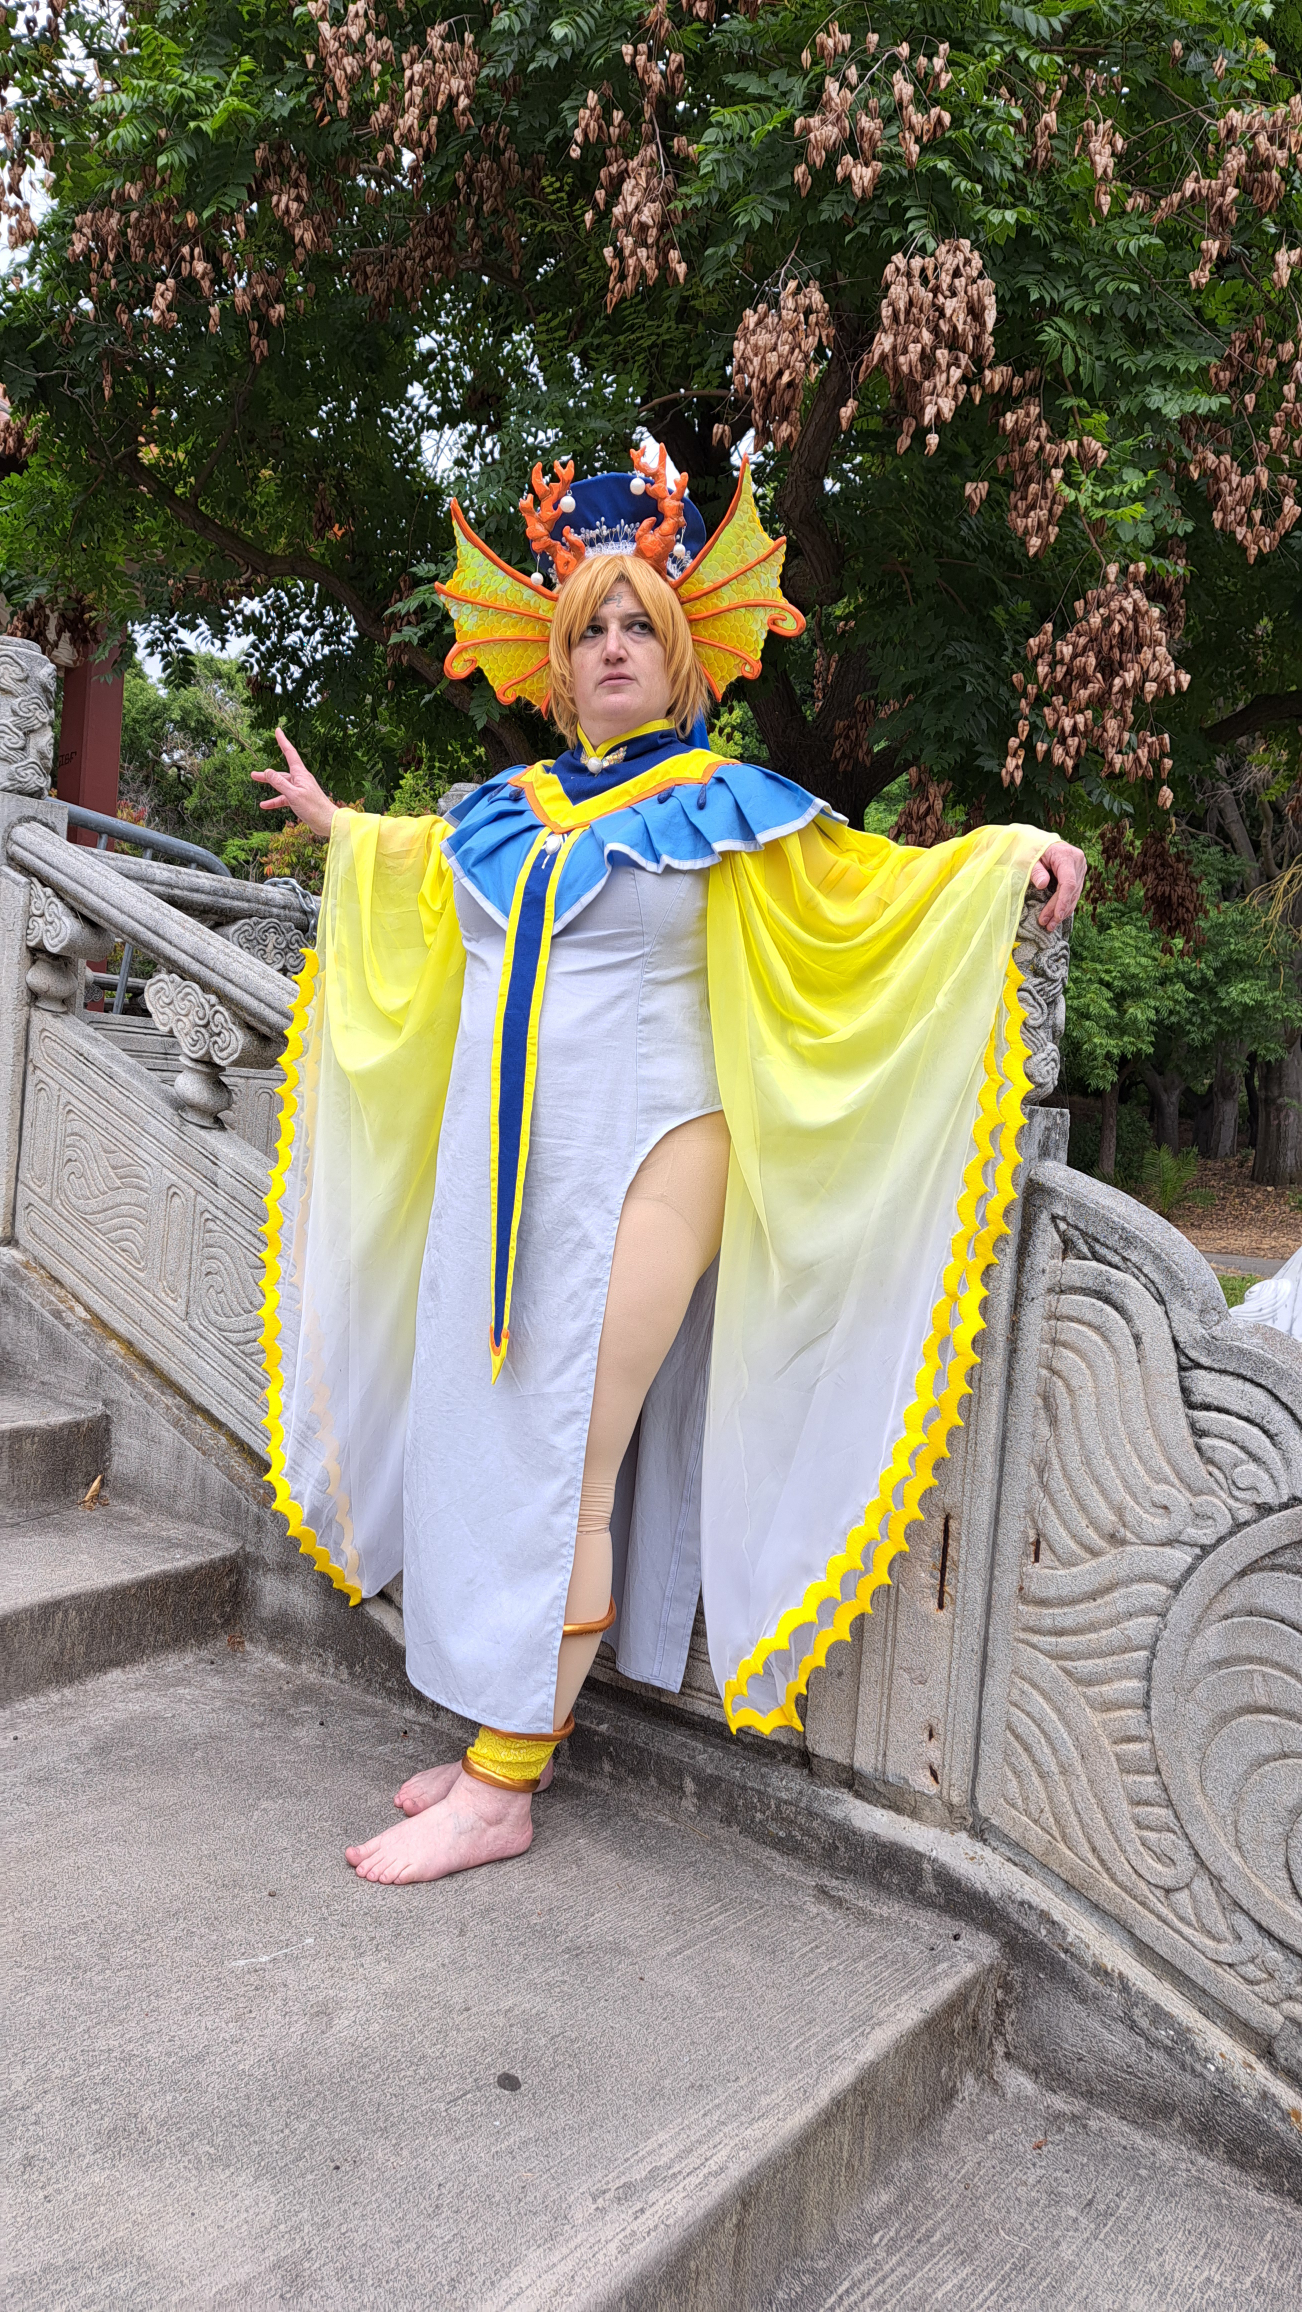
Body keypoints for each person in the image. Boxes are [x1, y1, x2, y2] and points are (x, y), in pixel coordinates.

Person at [253, 445, 1085, 1887]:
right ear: (555, 668)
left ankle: (507, 1782)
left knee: (566, 1450)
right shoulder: (506, 813)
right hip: (508, 1180)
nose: (617, 646)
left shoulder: (727, 805)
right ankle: (491, 1726)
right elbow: (424, 881)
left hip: (653, 1158)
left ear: (686, 652)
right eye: (591, 629)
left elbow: (869, 888)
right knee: (496, 1440)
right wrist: (341, 834)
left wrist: (1004, 852)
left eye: (640, 623)